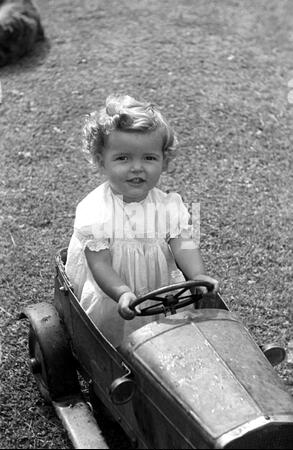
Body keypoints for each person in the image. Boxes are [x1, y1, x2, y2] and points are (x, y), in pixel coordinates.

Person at [65, 95, 219, 347]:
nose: (137, 167)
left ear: (164, 161)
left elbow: (183, 243)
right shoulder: (96, 211)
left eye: (149, 158)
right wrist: (123, 293)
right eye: (123, 158)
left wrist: (198, 276)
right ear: (101, 161)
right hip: (115, 292)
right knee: (117, 337)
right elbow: (100, 263)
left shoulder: (169, 205)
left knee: (171, 339)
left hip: (160, 290)